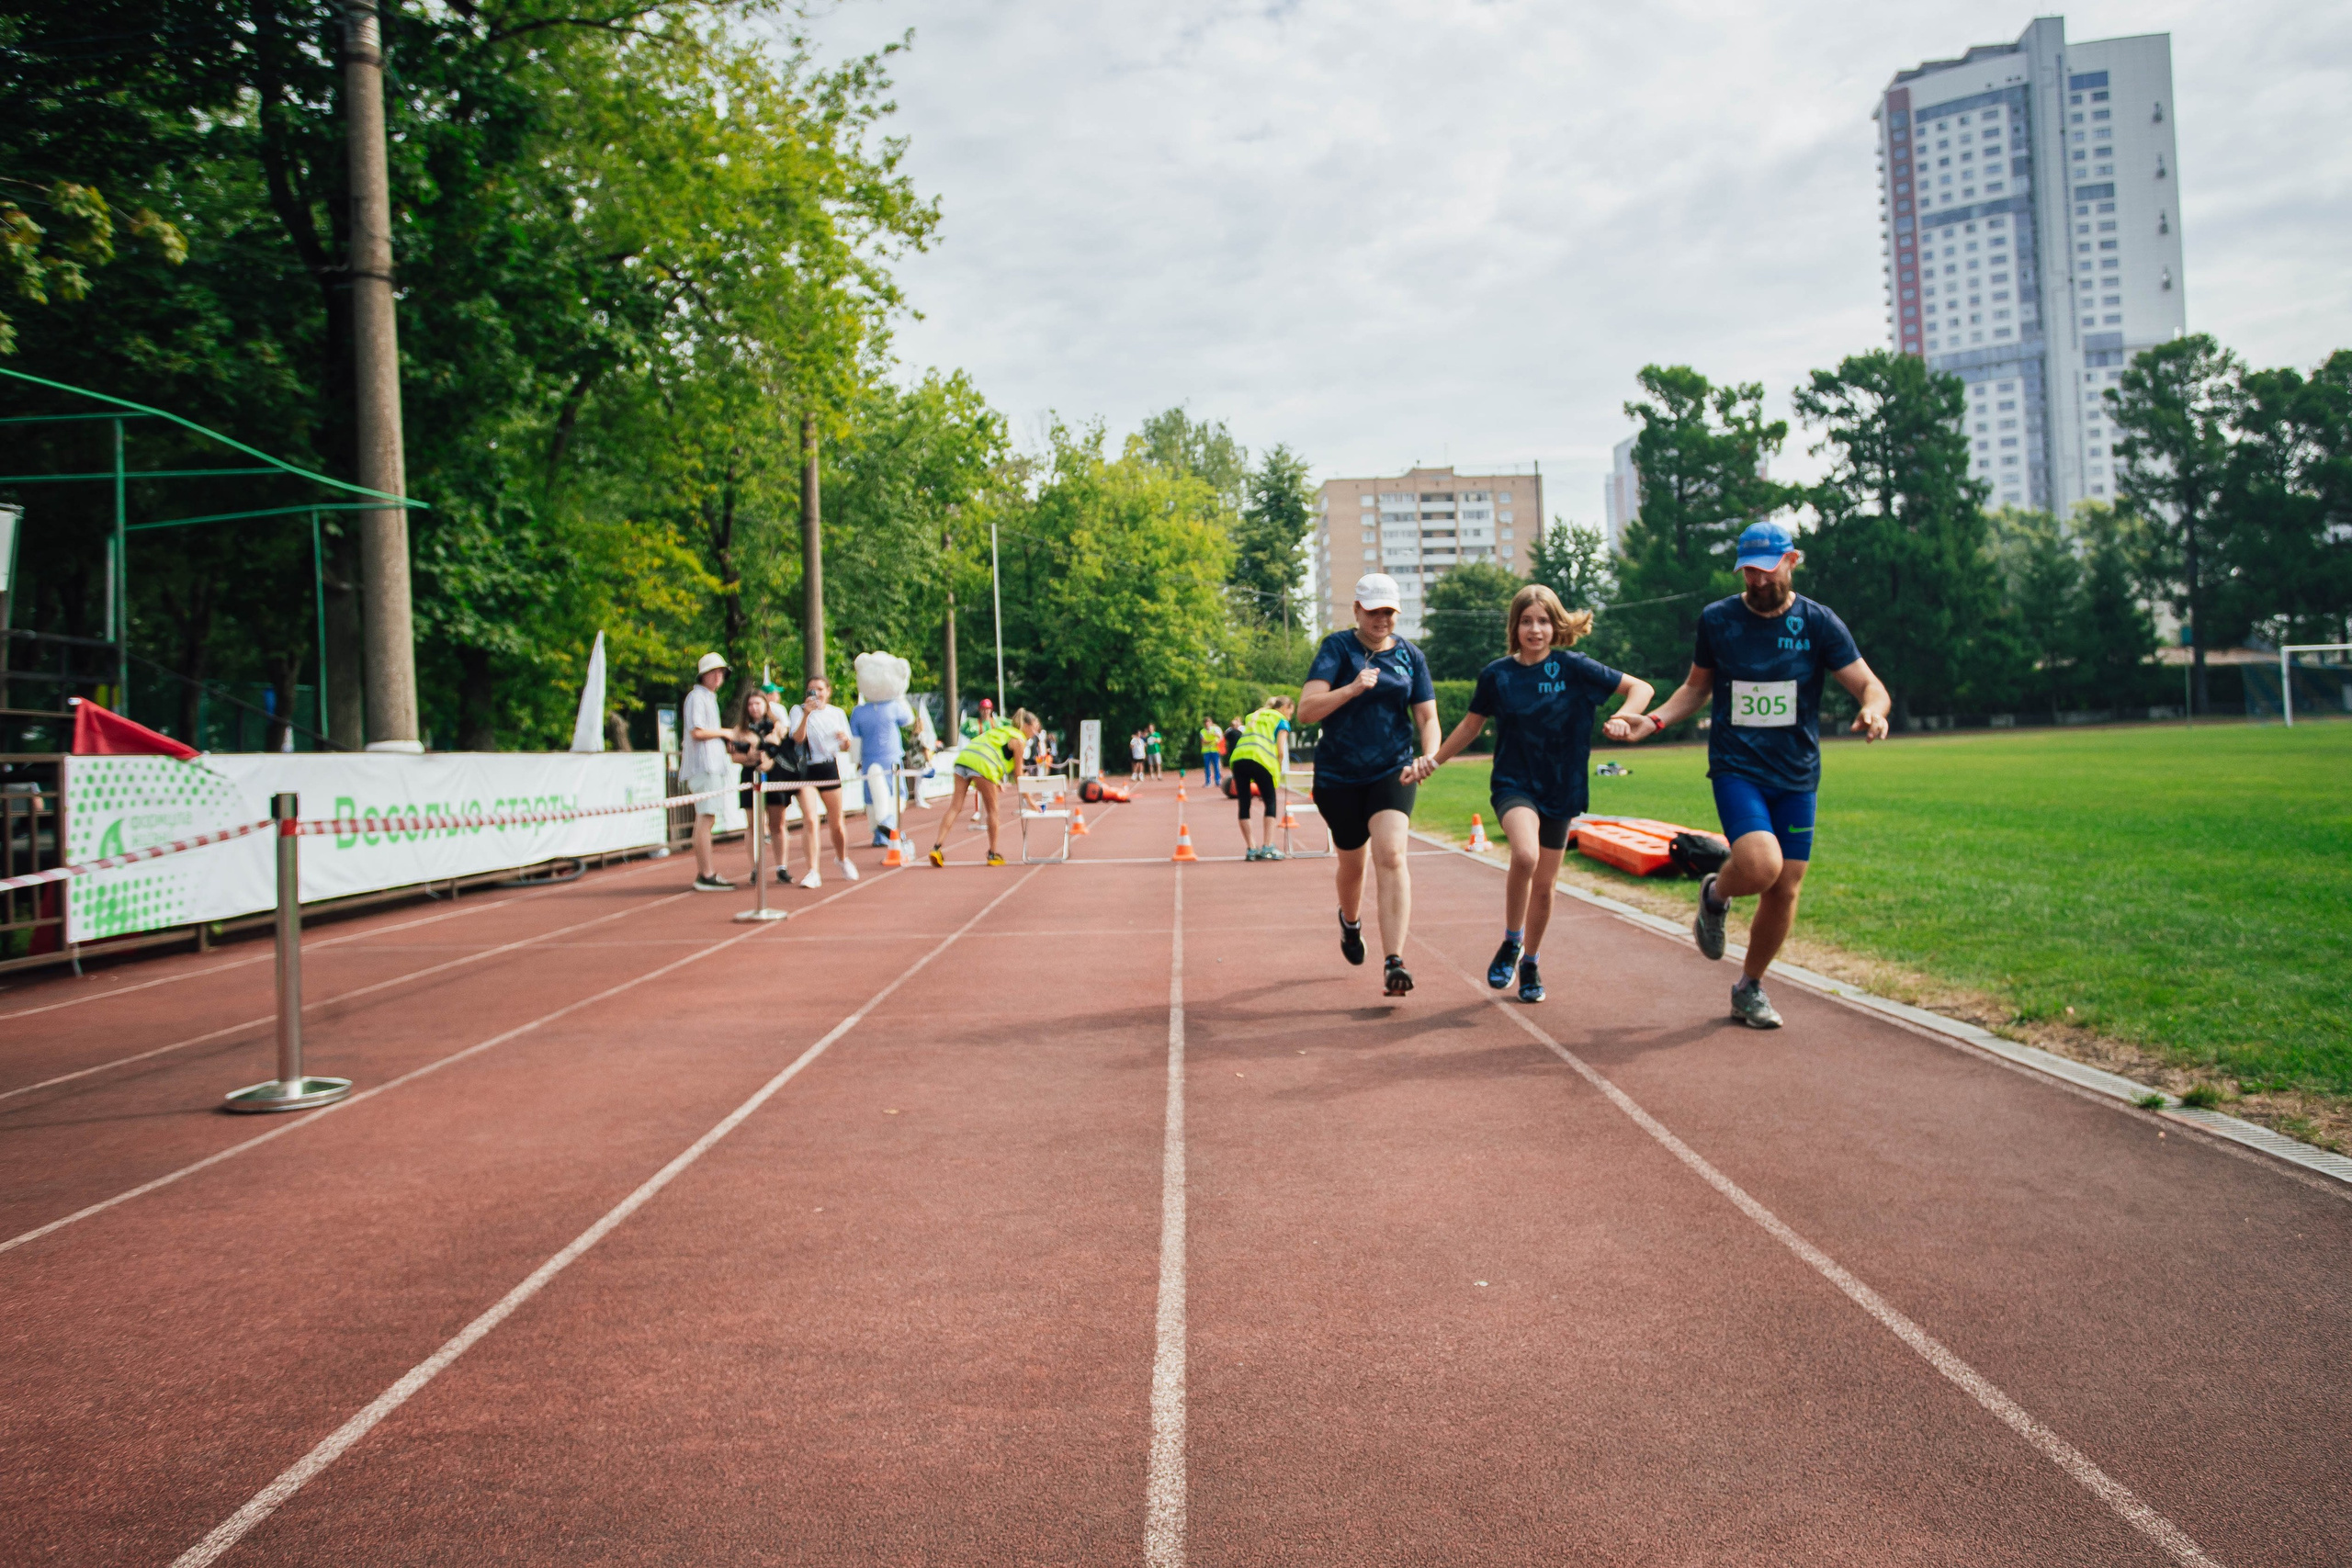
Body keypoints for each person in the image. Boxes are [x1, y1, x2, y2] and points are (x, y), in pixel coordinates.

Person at [1607, 520, 1890, 1029]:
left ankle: (1749, 987)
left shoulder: (1819, 623)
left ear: (1792, 561)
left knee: (1785, 889)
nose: (1757, 583)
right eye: (1748, 574)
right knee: (1761, 866)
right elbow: (1697, 688)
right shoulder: (1718, 620)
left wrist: (1874, 710)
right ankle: (1716, 894)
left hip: (1797, 774)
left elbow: (1871, 685)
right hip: (1738, 767)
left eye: (1766, 572)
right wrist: (1652, 721)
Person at [1425, 585, 1655, 1003]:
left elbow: (1641, 688)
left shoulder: (1575, 668)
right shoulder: (1498, 674)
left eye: (1544, 621)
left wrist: (1623, 717)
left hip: (1562, 787)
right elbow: (1470, 726)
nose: (1536, 629)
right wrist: (1434, 761)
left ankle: (1530, 960)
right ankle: (1512, 941)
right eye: (1527, 621)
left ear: (1556, 624)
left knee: (1546, 885)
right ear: (1515, 626)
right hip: (1514, 783)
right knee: (1526, 856)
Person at [1300, 574, 1439, 997]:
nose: (1382, 619)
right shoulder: (1336, 648)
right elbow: (1306, 710)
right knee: (1352, 864)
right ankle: (1350, 921)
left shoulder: (1411, 656)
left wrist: (1428, 754)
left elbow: (1427, 718)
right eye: (1374, 611)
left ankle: (1393, 960)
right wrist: (1352, 688)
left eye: (1389, 612)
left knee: (1392, 854)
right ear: (1357, 609)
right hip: (1338, 776)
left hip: (1392, 770)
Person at [928, 706, 1041, 867]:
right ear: (1026, 726)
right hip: (982, 766)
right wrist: (1029, 800)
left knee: (955, 807)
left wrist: (997, 782)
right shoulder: (1019, 740)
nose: (1034, 734)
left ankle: (936, 847)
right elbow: (1018, 774)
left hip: (964, 759)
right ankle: (992, 853)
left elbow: (993, 750)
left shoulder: (1002, 731)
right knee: (993, 811)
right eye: (1035, 729)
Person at [786, 674, 859, 888]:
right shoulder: (797, 711)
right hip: (806, 768)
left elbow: (847, 745)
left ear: (828, 691)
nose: (816, 693)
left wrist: (844, 741)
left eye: (819, 689)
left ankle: (842, 858)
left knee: (836, 823)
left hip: (828, 766)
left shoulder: (836, 713)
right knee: (810, 819)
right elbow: (797, 738)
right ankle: (813, 870)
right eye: (811, 689)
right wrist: (807, 715)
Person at [679, 652, 737, 891]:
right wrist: (725, 733)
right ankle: (705, 873)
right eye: (713, 672)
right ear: (703, 675)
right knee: (706, 817)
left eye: (721, 672)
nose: (718, 676)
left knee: (708, 817)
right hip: (703, 766)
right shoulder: (697, 697)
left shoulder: (708, 698)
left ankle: (706, 871)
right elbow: (697, 731)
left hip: (711, 765)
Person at [849, 659, 915, 849]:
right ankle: (885, 827)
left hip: (885, 758)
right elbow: (908, 718)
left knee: (885, 793)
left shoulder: (860, 711)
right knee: (883, 793)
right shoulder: (864, 711)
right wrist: (901, 696)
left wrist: (855, 760)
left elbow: (856, 740)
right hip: (882, 759)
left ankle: (885, 828)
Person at [730, 688, 795, 884]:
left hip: (775, 776)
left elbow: (783, 748)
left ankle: (781, 867)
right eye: (750, 704)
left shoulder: (777, 726)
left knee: (778, 824)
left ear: (766, 705)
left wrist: (770, 750)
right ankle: (756, 868)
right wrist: (752, 755)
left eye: (758, 703)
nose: (754, 708)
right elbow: (735, 756)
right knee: (754, 825)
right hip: (751, 776)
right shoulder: (740, 730)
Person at [1229, 695, 1293, 861]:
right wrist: (1278, 768)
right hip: (1261, 759)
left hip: (1239, 758)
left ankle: (1251, 848)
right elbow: (1280, 750)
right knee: (1270, 800)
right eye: (1291, 712)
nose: (1290, 716)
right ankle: (1268, 846)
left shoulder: (1254, 715)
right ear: (1285, 707)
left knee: (1244, 803)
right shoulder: (1281, 720)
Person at [1198, 716, 1225, 789]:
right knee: (1207, 767)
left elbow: (1220, 736)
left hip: (1214, 750)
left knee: (1216, 766)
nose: (1207, 724)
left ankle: (1217, 781)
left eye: (1208, 722)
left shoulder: (1215, 729)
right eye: (1206, 723)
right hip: (1206, 751)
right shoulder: (1202, 731)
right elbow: (1203, 741)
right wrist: (1212, 741)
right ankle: (1208, 782)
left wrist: (1213, 734)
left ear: (1211, 723)